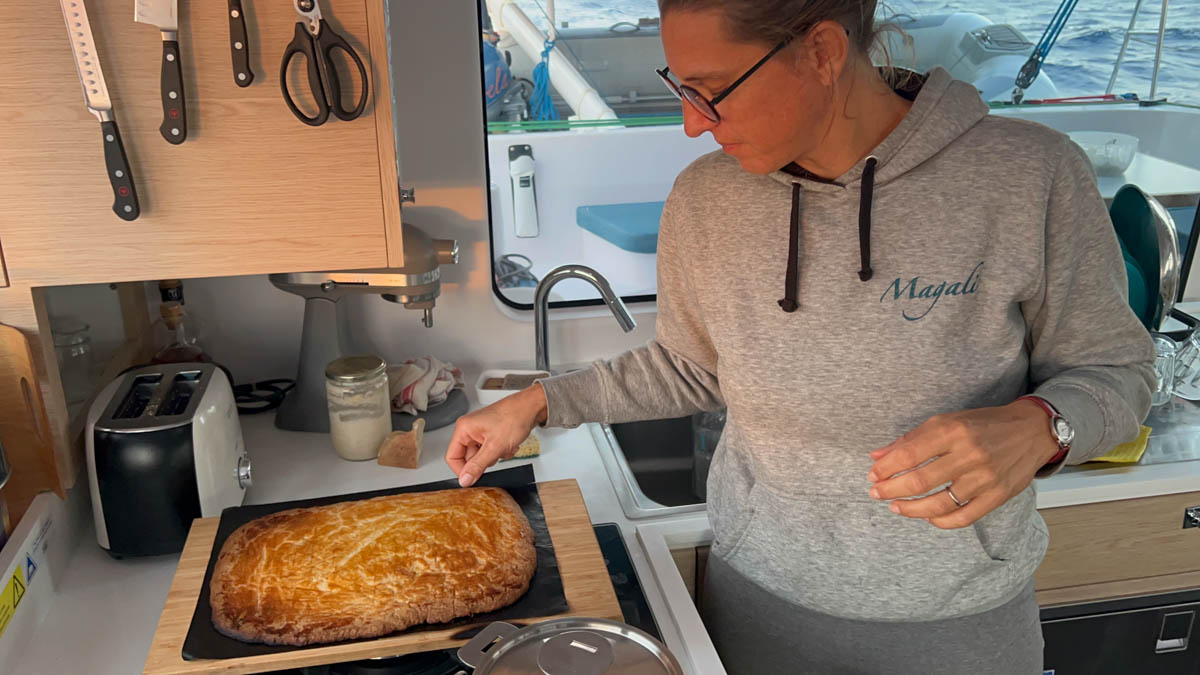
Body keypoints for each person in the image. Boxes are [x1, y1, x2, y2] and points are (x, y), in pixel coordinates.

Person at [446, 0, 1155, 672]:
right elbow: (692, 366)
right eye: (682, 89)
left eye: (713, 91)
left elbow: (1118, 373)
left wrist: (1043, 426)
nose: (692, 124)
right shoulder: (705, 198)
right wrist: (539, 402)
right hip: (759, 610)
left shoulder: (1032, 175)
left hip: (962, 625)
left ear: (822, 51)